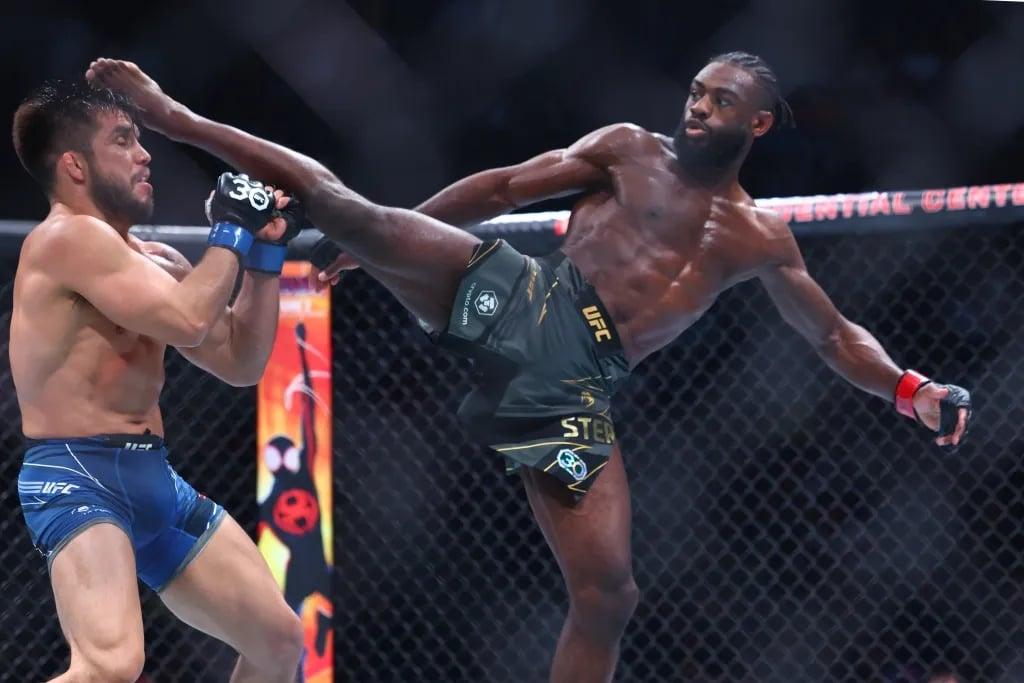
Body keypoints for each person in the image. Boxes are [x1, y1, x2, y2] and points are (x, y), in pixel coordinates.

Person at [88, 53, 973, 682]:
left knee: (610, 593)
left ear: (758, 123)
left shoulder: (759, 238)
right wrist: (388, 244)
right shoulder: (629, 148)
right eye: (697, 91)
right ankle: (177, 117)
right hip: (517, 296)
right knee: (344, 205)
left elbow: (832, 334)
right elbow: (508, 187)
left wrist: (909, 387)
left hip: (574, 384)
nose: (699, 108)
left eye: (720, 100)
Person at [10, 79, 307, 682]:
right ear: (74, 164)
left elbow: (240, 363)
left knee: (278, 640)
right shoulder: (66, 237)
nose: (145, 154)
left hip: (153, 478)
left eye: (142, 139)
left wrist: (263, 258)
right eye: (123, 140)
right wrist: (229, 229)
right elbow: (188, 319)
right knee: (110, 666)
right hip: (77, 477)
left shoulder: (152, 260)